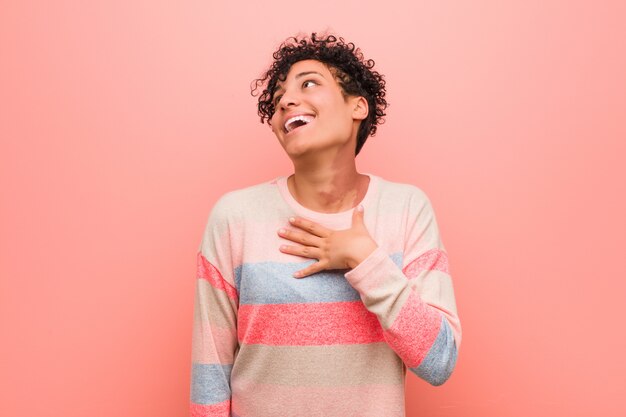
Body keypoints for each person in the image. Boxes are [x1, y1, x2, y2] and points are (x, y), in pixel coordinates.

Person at [189, 32, 462, 417]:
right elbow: (211, 370)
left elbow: (440, 361)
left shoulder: (405, 209)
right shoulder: (235, 217)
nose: (286, 101)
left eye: (309, 83)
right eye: (279, 96)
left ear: (358, 107)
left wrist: (366, 260)